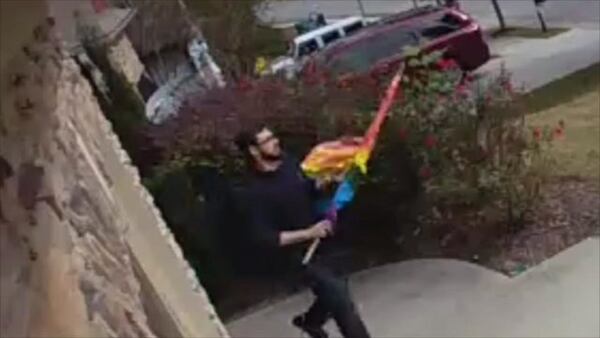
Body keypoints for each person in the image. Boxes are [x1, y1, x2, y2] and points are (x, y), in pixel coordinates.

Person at [234, 125, 371, 338]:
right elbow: (267, 238)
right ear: (253, 151)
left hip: (324, 243)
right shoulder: (253, 194)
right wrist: (309, 233)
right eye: (268, 140)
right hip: (300, 257)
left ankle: (311, 322)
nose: (275, 141)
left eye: (273, 137)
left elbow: (307, 190)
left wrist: (322, 183)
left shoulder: (289, 164)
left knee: (336, 291)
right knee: (342, 302)